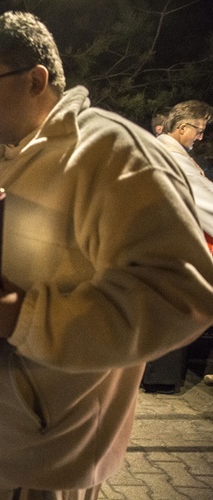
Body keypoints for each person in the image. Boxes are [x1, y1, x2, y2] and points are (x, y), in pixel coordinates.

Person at [0, 11, 213, 497]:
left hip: (44, 455)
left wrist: (25, 319)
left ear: (36, 79)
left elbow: (184, 294)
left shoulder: (111, 154)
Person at [141, 100, 213, 394]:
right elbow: (200, 202)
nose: (201, 137)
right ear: (182, 127)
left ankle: (158, 377)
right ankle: (159, 379)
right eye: (199, 129)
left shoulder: (163, 150)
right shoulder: (171, 156)